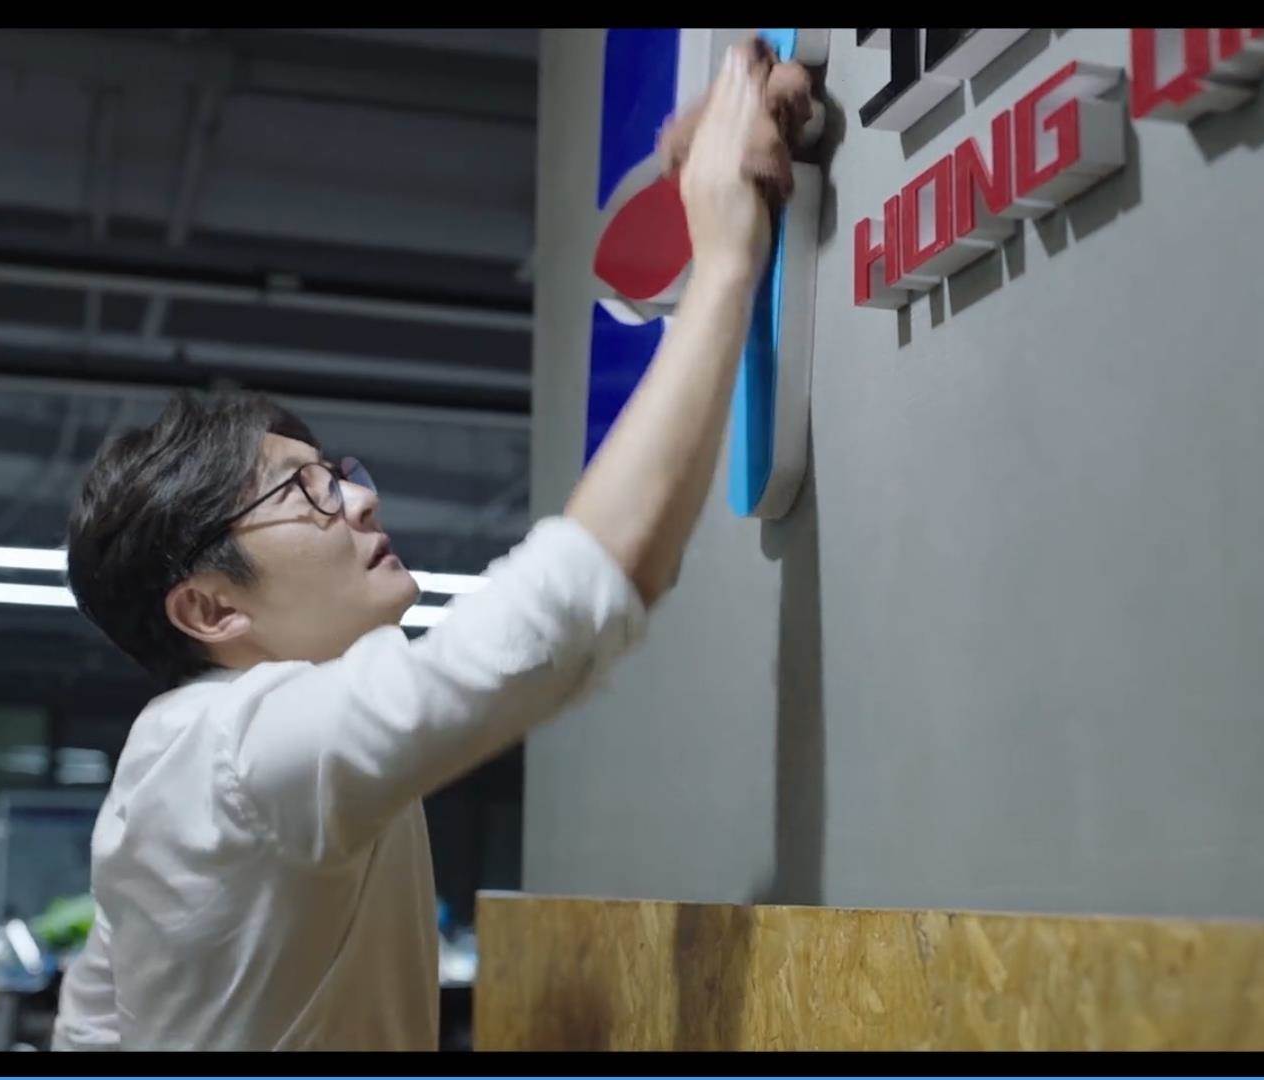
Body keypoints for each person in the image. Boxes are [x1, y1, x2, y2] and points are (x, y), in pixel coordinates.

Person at [50, 43, 778, 1050]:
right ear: (211, 607)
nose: (360, 497)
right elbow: (566, 607)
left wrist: (684, 190)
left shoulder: (185, 761)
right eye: (306, 491)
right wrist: (726, 259)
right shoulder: (234, 751)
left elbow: (96, 1025)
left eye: (336, 470)